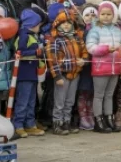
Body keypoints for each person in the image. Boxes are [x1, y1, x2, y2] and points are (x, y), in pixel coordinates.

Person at [45, 8, 88, 136]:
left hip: (75, 74)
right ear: (57, 24)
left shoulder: (77, 38)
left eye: (69, 23)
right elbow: (52, 60)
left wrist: (84, 60)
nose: (66, 25)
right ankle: (57, 123)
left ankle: (66, 122)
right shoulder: (54, 40)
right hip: (62, 75)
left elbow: (84, 52)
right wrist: (57, 75)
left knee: (70, 101)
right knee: (60, 102)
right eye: (63, 23)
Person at [85, 1, 121, 134]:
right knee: (99, 95)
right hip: (100, 67)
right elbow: (90, 47)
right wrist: (106, 49)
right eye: (103, 14)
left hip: (115, 68)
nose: (106, 16)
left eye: (109, 14)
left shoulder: (117, 29)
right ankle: (98, 120)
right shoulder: (95, 30)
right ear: (99, 15)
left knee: (109, 95)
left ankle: (109, 118)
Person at [14, 8, 47, 138]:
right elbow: (19, 53)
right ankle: (19, 125)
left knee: (31, 100)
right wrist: (36, 53)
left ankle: (30, 124)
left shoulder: (33, 36)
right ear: (31, 25)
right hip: (24, 73)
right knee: (23, 100)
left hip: (33, 73)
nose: (39, 26)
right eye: (38, 24)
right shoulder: (24, 36)